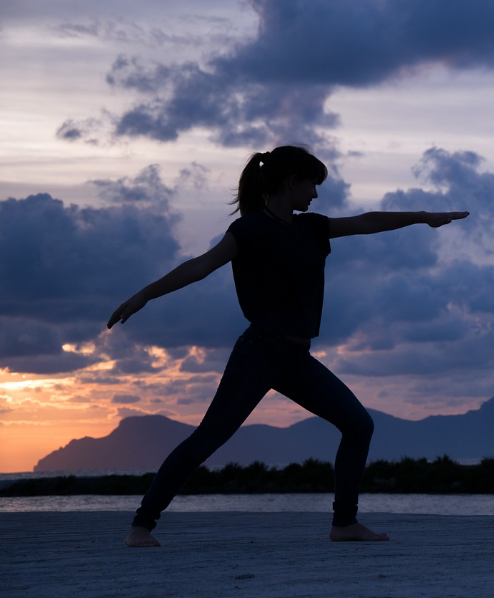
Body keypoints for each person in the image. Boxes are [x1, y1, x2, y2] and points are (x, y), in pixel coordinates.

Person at [107, 145, 469, 547]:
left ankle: (344, 523)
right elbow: (200, 266)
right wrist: (145, 294)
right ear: (292, 181)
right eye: (312, 184)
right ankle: (141, 526)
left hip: (296, 357)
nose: (315, 194)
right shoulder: (249, 231)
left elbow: (367, 221)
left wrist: (421, 218)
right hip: (259, 352)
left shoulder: (311, 228)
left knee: (358, 424)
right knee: (207, 439)